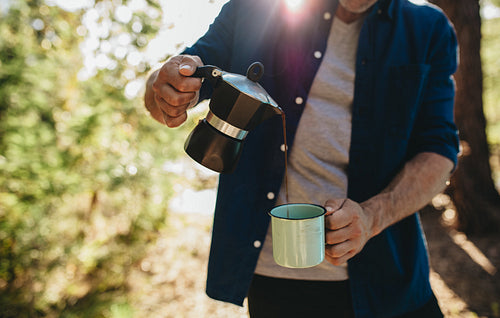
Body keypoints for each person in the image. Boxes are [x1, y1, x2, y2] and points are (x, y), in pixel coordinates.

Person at [144, 0, 459, 316]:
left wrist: (371, 217)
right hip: (275, 281)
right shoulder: (254, 9)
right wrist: (164, 87)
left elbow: (438, 150)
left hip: (388, 280)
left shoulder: (428, 29)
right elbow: (174, 78)